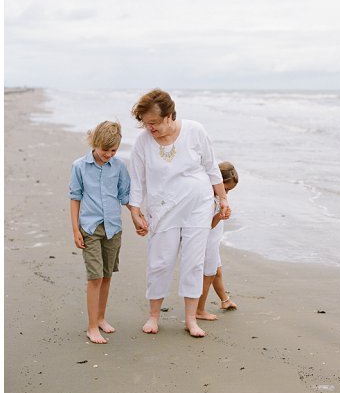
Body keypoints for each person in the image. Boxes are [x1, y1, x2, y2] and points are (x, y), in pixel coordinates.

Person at [128, 88, 231, 338]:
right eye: (145, 123)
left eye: (153, 123)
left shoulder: (195, 131)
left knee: (193, 262)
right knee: (160, 261)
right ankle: (153, 316)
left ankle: (190, 320)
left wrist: (223, 198)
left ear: (169, 116)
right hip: (162, 208)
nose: (149, 128)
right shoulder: (142, 142)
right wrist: (135, 210)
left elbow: (210, 167)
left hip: (198, 206)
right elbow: (137, 180)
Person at [69, 121, 143, 344]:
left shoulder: (119, 167)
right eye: (105, 150)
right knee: (95, 277)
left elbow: (125, 196)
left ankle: (101, 318)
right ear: (95, 143)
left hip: (113, 229)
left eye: (114, 150)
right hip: (90, 229)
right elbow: (75, 198)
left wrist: (136, 215)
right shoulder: (79, 166)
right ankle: (92, 327)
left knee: (107, 275)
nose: (109, 154)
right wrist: (75, 230)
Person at [196, 161, 239, 320]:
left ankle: (225, 300)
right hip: (207, 242)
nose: (226, 194)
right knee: (208, 274)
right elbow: (207, 226)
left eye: (229, 191)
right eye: (225, 189)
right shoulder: (209, 199)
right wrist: (220, 215)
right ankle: (199, 310)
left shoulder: (217, 198)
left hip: (212, 242)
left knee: (217, 272)